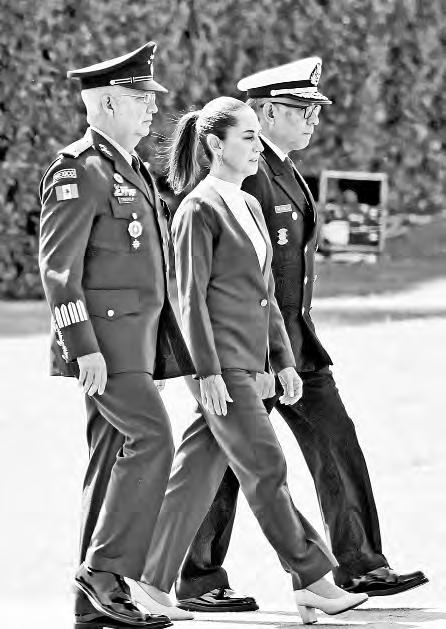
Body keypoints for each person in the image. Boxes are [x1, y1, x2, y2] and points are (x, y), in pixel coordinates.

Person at [173, 57, 427, 613]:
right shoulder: (248, 174)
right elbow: (233, 279)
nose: (313, 119)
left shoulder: (282, 170)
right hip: (255, 350)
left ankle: (359, 564)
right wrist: (260, 359)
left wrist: (287, 351)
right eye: (301, 109)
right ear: (265, 113)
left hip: (294, 344)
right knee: (228, 458)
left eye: (315, 110)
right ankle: (197, 577)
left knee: (335, 440)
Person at [130, 96, 369, 625]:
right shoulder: (197, 210)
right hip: (222, 368)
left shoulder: (250, 206)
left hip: (252, 364)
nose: (258, 146)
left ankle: (149, 581)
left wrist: (284, 361)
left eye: (258, 137)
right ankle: (314, 579)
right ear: (216, 146)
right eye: (247, 137)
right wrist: (207, 372)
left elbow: (267, 296)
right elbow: (188, 300)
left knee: (196, 472)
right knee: (267, 467)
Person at [39, 42, 195, 629]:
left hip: (136, 345)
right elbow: (59, 270)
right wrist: (83, 349)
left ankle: (93, 605)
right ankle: (104, 571)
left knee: (109, 465)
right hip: (104, 347)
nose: (152, 108)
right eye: (139, 98)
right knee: (154, 440)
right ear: (106, 103)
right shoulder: (79, 169)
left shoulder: (132, 168)